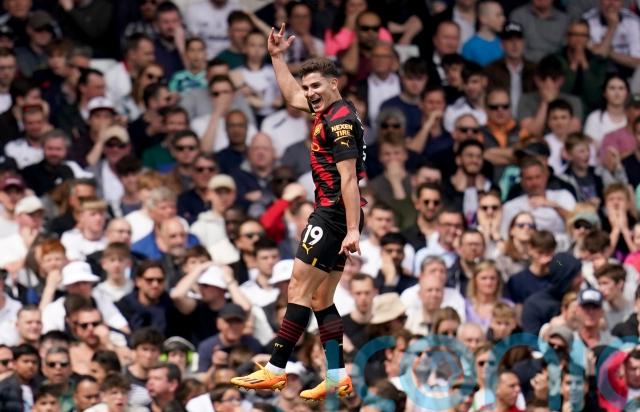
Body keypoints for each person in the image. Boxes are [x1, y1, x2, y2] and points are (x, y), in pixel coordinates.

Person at [231, 24, 366, 400]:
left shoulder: (339, 123)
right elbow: (291, 96)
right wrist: (277, 57)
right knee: (320, 298)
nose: (309, 93)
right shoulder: (334, 109)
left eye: (316, 86)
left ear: (334, 84)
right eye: (308, 87)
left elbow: (349, 179)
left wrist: (352, 229)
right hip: (336, 215)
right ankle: (337, 375)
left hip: (333, 215)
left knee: (298, 289)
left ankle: (275, 369)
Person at [584, 74, 629, 147]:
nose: (617, 93)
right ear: (604, 93)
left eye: (621, 88)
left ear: (627, 93)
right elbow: (590, 148)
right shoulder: (594, 118)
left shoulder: (632, 118)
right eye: (612, 88)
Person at [461, 0, 505, 66]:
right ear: (483, 19)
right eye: (498, 15)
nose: (503, 18)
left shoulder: (503, 44)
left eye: (502, 14)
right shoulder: (470, 47)